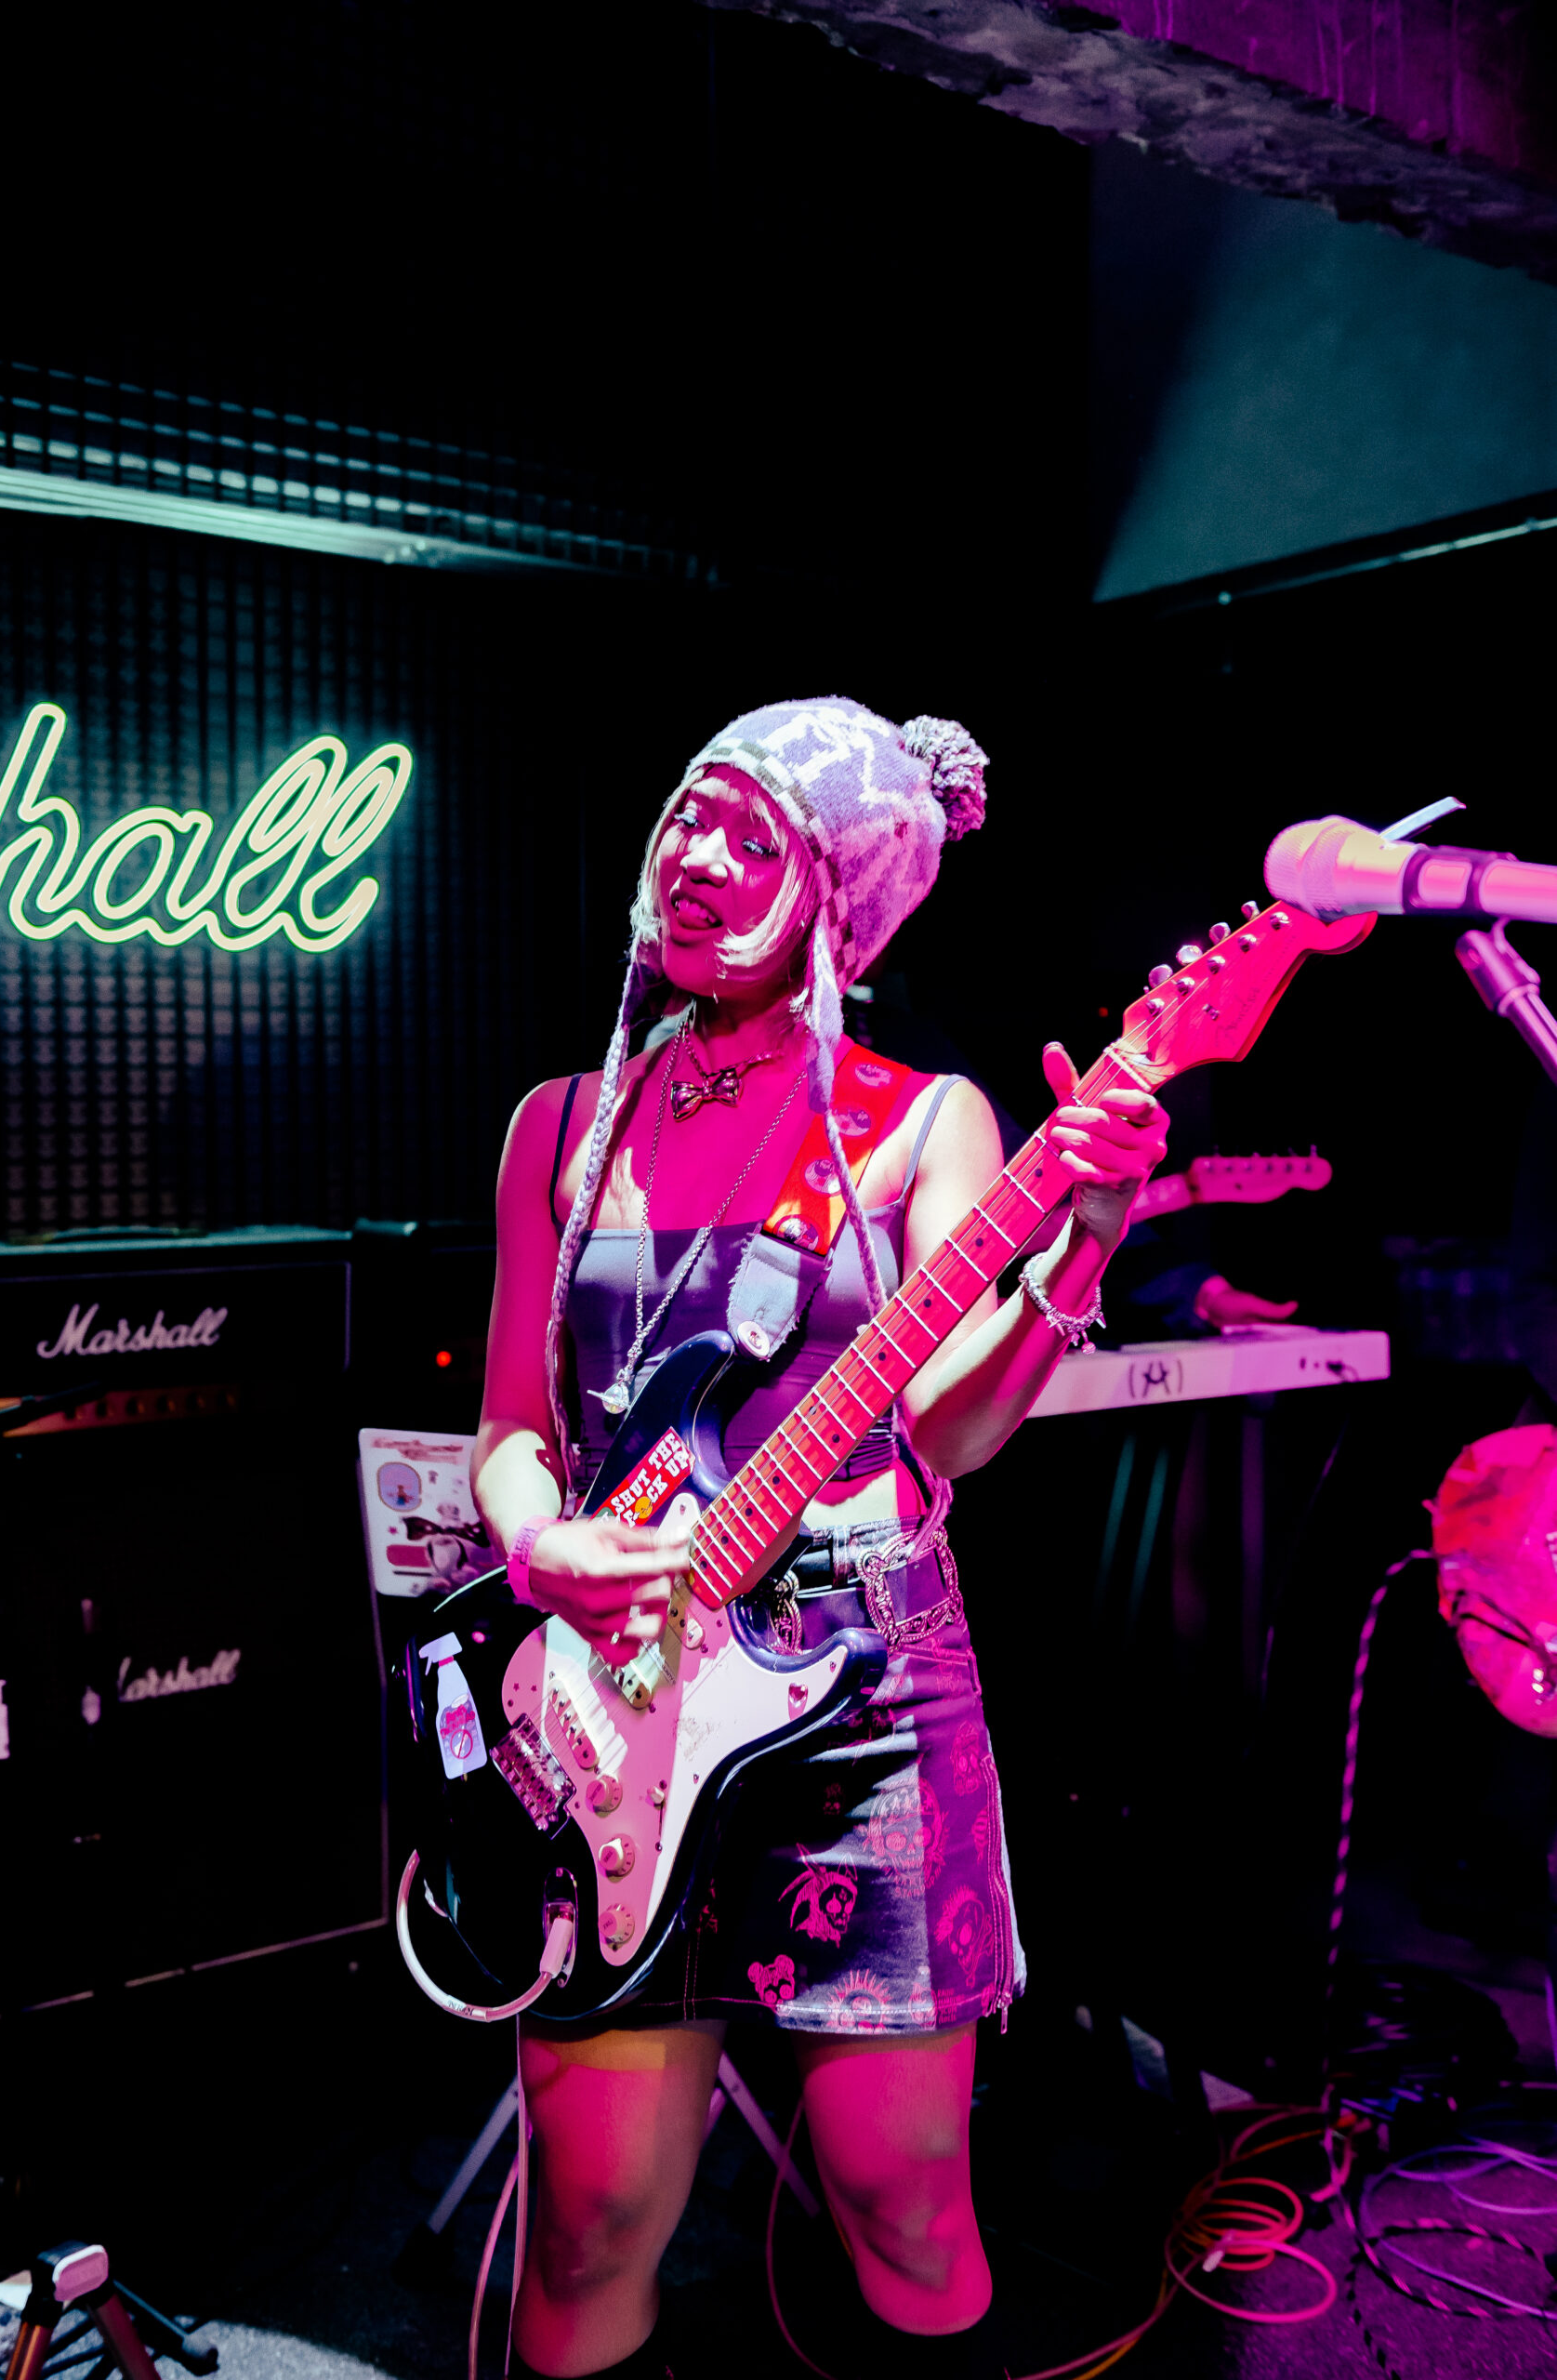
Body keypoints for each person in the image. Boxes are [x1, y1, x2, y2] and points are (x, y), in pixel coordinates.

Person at [473, 699, 1168, 2380]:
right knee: (588, 2216)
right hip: (624, 1686)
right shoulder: (559, 1127)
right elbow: (509, 1433)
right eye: (687, 816)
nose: (696, 857)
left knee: (904, 2204)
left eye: (754, 837)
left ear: (841, 893)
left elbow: (949, 1430)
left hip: (864, 1687)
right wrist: (537, 1547)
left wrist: (1078, 1252)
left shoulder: (923, 1122)